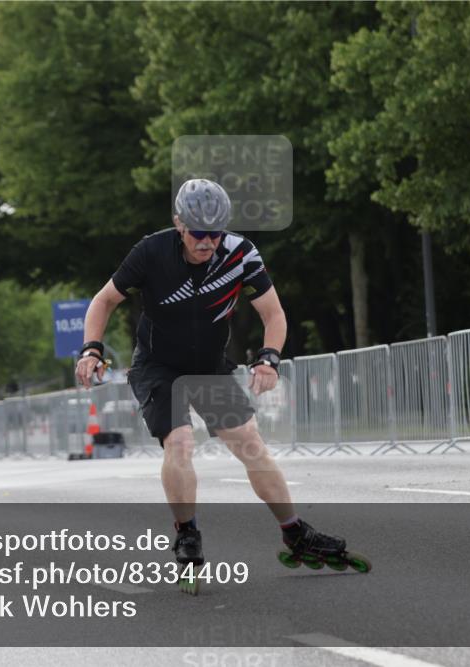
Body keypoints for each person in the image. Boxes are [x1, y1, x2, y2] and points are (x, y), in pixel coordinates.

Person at [75, 179, 363, 588]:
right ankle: (187, 532)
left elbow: (274, 315)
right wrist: (91, 349)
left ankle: (295, 532)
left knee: (249, 440)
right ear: (179, 224)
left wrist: (269, 358)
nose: (208, 241)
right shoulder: (150, 251)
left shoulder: (241, 254)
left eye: (216, 232)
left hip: (209, 365)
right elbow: (104, 300)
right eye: (198, 233)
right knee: (179, 442)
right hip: (158, 366)